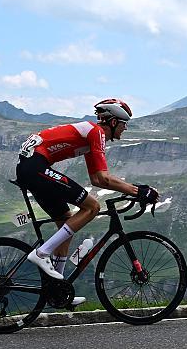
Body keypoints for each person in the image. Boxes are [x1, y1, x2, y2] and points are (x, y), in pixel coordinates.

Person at [15, 98, 159, 304]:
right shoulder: (96, 132)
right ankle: (42, 253)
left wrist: (136, 190)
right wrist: (138, 191)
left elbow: (98, 179)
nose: (125, 128)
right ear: (112, 122)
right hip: (35, 167)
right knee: (92, 206)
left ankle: (58, 289)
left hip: (30, 168)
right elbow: (104, 178)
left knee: (66, 221)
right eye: (124, 123)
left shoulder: (91, 134)